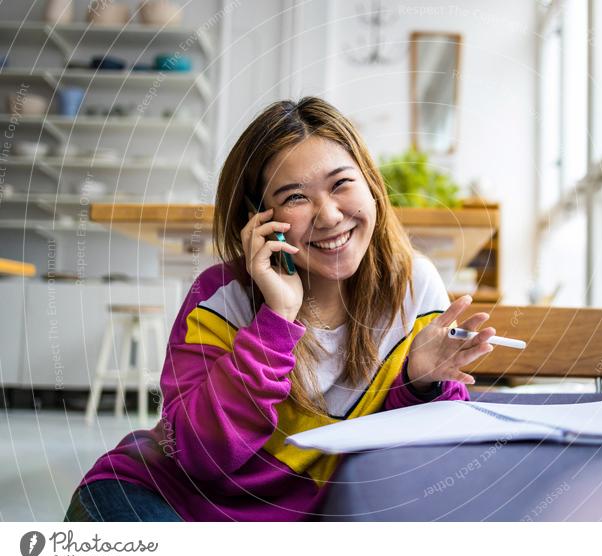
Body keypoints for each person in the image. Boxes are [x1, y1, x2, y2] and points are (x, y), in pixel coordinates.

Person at [64, 97, 496, 522]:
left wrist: (421, 384)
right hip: (160, 500)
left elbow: (420, 461)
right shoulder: (220, 297)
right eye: (295, 197)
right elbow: (199, 458)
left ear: (371, 184)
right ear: (259, 218)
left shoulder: (413, 288)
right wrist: (276, 320)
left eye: (341, 183)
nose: (328, 216)